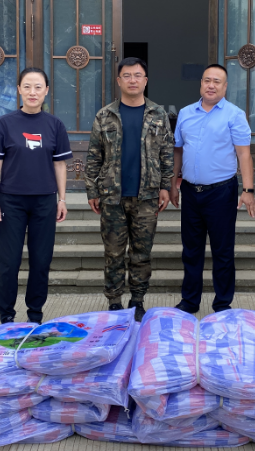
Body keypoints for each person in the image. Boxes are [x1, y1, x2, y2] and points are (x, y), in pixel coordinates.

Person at [85, 57, 174, 322]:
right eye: (127, 75)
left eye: (137, 75)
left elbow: (167, 153)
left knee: (141, 253)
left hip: (147, 196)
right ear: (119, 80)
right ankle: (114, 301)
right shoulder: (105, 115)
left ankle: (137, 301)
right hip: (112, 197)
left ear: (145, 80)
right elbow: (94, 156)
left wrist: (165, 187)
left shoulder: (158, 114)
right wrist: (92, 191)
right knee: (113, 253)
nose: (132, 80)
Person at [0, 67, 72, 325]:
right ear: (19, 90)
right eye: (27, 86)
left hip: (44, 201)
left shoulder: (55, 125)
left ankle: (35, 314)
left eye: (38, 87)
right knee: (9, 263)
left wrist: (62, 199)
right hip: (11, 201)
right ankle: (7, 317)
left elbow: (60, 165)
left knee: (41, 261)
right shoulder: (4, 124)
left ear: (46, 91)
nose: (33, 92)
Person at [170, 64, 255, 314]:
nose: (211, 85)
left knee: (222, 251)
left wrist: (248, 190)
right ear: (201, 83)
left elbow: (244, 154)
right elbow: (178, 150)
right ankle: (190, 301)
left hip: (221, 192)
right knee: (191, 250)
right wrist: (173, 183)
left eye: (217, 81)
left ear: (225, 87)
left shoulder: (234, 114)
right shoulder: (185, 113)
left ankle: (222, 304)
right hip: (190, 191)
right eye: (207, 80)